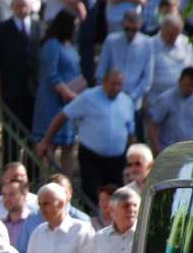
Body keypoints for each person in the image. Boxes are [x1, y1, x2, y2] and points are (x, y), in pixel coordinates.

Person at [36, 67, 136, 202]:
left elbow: (130, 133)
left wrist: (130, 157)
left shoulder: (126, 101)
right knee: (92, 196)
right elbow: (63, 116)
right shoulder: (88, 97)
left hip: (117, 159)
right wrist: (46, 141)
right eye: (113, 83)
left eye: (119, 84)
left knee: (117, 198)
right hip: (92, 157)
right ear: (103, 81)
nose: (116, 88)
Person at [0, 0, 43, 137]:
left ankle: (30, 161)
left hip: (34, 90)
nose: (22, 10)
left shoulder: (39, 27)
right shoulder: (1, 29)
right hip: (12, 90)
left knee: (32, 134)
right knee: (11, 134)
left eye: (25, 6)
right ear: (12, 6)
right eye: (19, 6)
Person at [32, 8, 83, 176]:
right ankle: (47, 181)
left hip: (69, 102)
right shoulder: (51, 44)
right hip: (51, 101)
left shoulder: (71, 45)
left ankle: (67, 183)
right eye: (74, 25)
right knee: (51, 143)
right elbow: (50, 72)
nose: (76, 28)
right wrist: (66, 92)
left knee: (68, 145)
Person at [96, 10, 153, 138]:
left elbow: (147, 78)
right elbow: (101, 71)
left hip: (134, 103)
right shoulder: (111, 41)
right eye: (127, 29)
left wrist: (132, 96)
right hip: (111, 99)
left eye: (134, 30)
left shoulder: (147, 43)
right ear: (122, 24)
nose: (130, 33)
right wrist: (110, 91)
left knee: (135, 140)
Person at [147, 66, 193, 155]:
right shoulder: (165, 99)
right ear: (180, 81)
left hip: (191, 152)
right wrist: (158, 151)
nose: (191, 89)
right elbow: (152, 127)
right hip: (169, 151)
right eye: (188, 84)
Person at [145, 13, 193, 117]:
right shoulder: (151, 44)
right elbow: (143, 74)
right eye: (171, 34)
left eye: (176, 34)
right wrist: (143, 100)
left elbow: (192, 70)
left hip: (180, 104)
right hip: (155, 103)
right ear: (162, 29)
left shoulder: (185, 43)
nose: (173, 38)